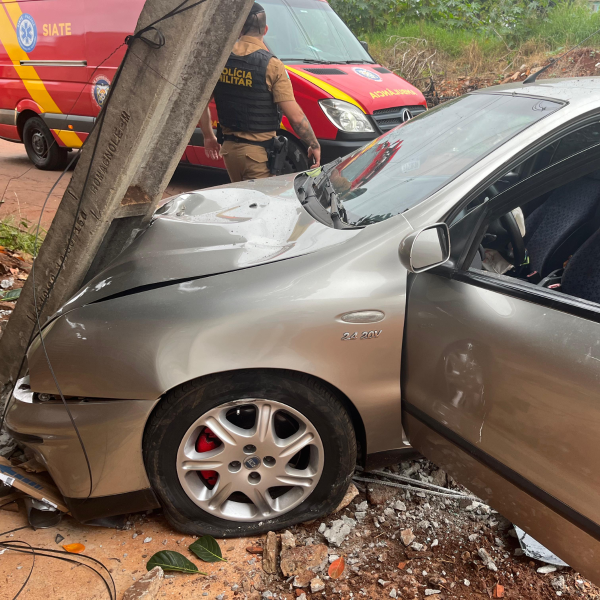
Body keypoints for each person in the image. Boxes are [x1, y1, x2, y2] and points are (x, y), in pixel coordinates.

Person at [199, 2, 321, 182]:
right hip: (259, 154)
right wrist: (313, 144)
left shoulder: (221, 59)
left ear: (240, 28)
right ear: (265, 29)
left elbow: (200, 104)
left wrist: (208, 136)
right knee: (260, 206)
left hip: (229, 151)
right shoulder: (272, 65)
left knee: (241, 201)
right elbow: (296, 118)